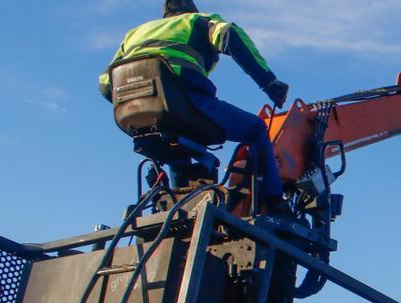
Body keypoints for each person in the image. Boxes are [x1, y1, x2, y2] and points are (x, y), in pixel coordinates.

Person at [98, 0, 291, 215]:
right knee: (256, 128)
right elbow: (230, 35)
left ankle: (179, 205)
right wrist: (269, 82)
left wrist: (138, 104)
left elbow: (106, 85)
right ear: (190, 9)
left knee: (177, 142)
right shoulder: (197, 21)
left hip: (134, 116)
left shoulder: (133, 34)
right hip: (186, 102)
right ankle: (275, 203)